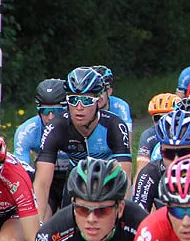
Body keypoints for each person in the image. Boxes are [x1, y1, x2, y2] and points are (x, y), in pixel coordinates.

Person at [33, 67, 132, 221]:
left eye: (86, 100)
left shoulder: (115, 126)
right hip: (76, 179)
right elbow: (42, 184)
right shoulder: (56, 127)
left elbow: (124, 179)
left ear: (99, 101)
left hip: (109, 179)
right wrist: (37, 226)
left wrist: (119, 221)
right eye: (73, 100)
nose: (79, 107)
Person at [14, 79, 72, 212]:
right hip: (45, 178)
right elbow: (22, 174)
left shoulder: (79, 129)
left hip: (72, 178)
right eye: (45, 111)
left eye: (57, 111)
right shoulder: (27, 131)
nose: (50, 117)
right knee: (42, 217)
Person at [136, 92, 179, 176]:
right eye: (157, 118)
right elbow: (141, 170)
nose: (163, 122)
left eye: (169, 117)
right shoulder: (149, 135)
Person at [91, 65, 133, 133]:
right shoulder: (84, 106)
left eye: (100, 91)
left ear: (109, 92)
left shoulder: (120, 106)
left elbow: (127, 136)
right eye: (92, 92)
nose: (97, 96)